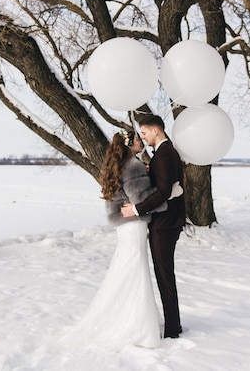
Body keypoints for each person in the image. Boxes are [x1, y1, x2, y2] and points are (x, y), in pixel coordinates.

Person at [60, 130, 164, 351]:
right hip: (134, 225)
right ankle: (137, 327)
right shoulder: (133, 165)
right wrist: (167, 193)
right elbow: (139, 198)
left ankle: (129, 319)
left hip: (124, 227)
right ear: (129, 145)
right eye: (138, 140)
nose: (141, 142)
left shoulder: (119, 165)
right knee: (136, 272)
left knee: (127, 269)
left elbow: (129, 193)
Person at [121, 114, 186, 339]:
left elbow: (163, 192)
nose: (144, 137)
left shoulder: (166, 153)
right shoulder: (162, 154)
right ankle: (173, 324)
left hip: (166, 223)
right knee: (163, 273)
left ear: (156, 131)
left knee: (164, 274)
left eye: (145, 133)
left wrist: (137, 209)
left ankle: (172, 329)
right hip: (166, 221)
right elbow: (165, 185)